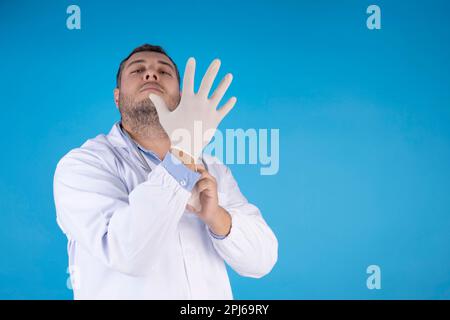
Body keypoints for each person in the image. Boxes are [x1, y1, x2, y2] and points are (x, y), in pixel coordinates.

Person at [53, 44, 278, 299]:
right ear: (117, 97)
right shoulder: (83, 165)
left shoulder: (213, 168)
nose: (151, 74)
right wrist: (182, 157)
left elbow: (263, 259)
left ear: (181, 98)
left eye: (164, 71)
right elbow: (128, 253)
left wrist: (216, 216)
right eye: (138, 70)